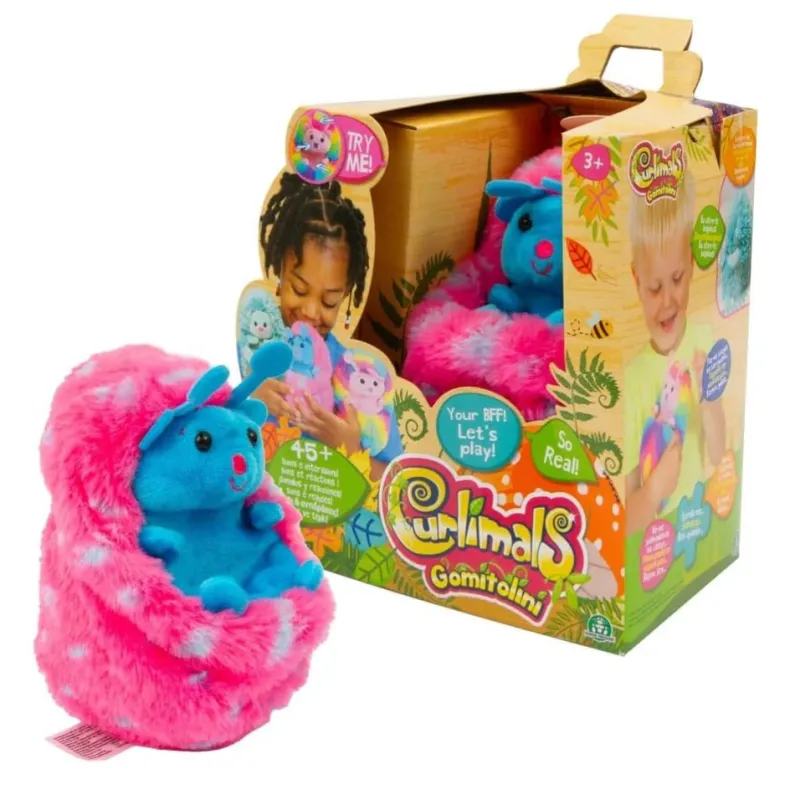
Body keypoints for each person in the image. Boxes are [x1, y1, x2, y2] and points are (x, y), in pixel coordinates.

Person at [256, 170, 403, 479]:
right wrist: (249, 398)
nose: (310, 311)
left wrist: (350, 448)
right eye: (299, 290)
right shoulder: (255, 343)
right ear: (278, 271)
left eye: (329, 301)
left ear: (347, 295)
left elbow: (399, 480)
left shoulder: (362, 374)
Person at [624, 169, 726, 534]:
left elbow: (719, 454)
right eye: (654, 287)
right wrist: (653, 493)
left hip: (695, 523)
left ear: (692, 262)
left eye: (677, 279)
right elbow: (625, 520)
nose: (668, 300)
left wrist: (709, 403)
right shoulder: (633, 381)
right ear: (636, 281)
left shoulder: (704, 341)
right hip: (653, 544)